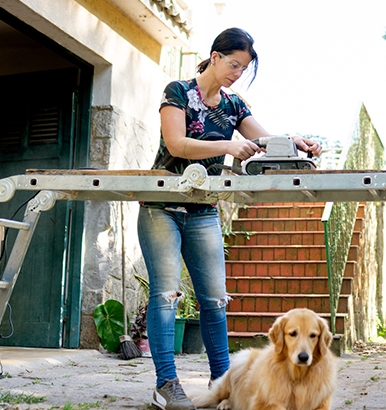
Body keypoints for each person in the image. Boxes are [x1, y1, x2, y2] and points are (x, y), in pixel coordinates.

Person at [137, 27, 322, 410]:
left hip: (204, 209)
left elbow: (265, 141)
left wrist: (296, 143)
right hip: (161, 206)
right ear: (215, 56)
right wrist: (229, 145)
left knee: (215, 301)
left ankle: (225, 385)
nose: (237, 73)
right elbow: (177, 144)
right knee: (166, 295)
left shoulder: (234, 104)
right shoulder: (178, 92)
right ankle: (166, 385)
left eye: (244, 68)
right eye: (233, 64)